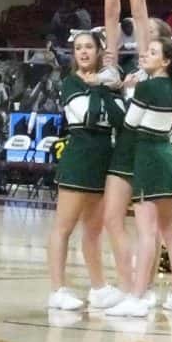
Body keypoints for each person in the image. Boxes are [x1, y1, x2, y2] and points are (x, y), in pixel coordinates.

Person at [105, 37, 172, 317]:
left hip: (148, 159)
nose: (145, 54)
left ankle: (136, 297)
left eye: (153, 52)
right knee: (170, 231)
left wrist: (128, 91)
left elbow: (129, 123)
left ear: (165, 61)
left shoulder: (148, 86)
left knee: (147, 232)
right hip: (166, 158)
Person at [47, 31, 124, 311]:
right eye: (78, 47)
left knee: (93, 230)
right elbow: (88, 117)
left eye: (88, 46)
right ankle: (57, 290)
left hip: (104, 161)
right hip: (79, 159)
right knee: (64, 227)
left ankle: (99, 287)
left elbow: (120, 119)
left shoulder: (109, 84)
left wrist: (104, 86)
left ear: (98, 51)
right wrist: (101, 88)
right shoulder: (71, 83)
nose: (83, 52)